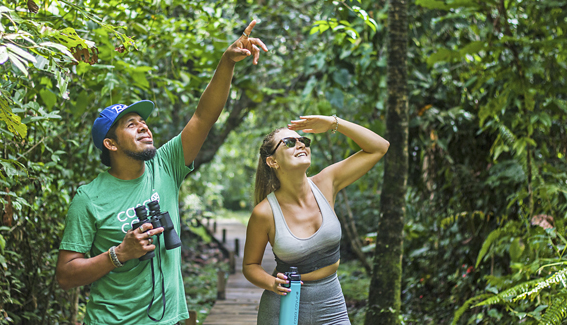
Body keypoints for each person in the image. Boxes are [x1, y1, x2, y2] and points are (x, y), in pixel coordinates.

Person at [56, 21, 268, 325]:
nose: (144, 126)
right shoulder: (88, 199)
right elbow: (65, 275)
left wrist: (227, 62)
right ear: (110, 144)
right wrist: (120, 253)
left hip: (168, 319)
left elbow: (204, 116)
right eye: (131, 124)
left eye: (143, 121)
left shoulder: (165, 165)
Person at [242, 115, 389, 325]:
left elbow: (379, 147)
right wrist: (272, 283)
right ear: (272, 161)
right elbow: (250, 265)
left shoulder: (327, 182)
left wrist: (333, 123)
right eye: (290, 142)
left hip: (331, 304)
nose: (300, 144)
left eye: (303, 141)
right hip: (284, 307)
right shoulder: (264, 213)